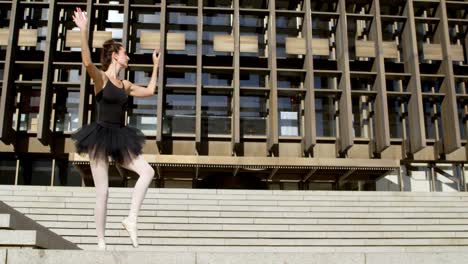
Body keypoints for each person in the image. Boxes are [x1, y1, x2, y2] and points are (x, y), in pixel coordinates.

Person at [71, 7, 159, 250]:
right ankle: (101, 241)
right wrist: (84, 30)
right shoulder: (101, 78)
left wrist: (155, 66)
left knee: (148, 172)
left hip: (120, 137)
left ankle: (131, 219)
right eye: (125, 54)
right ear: (115, 56)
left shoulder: (125, 84)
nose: (128, 57)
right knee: (104, 192)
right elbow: (87, 61)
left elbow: (150, 91)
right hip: (100, 136)